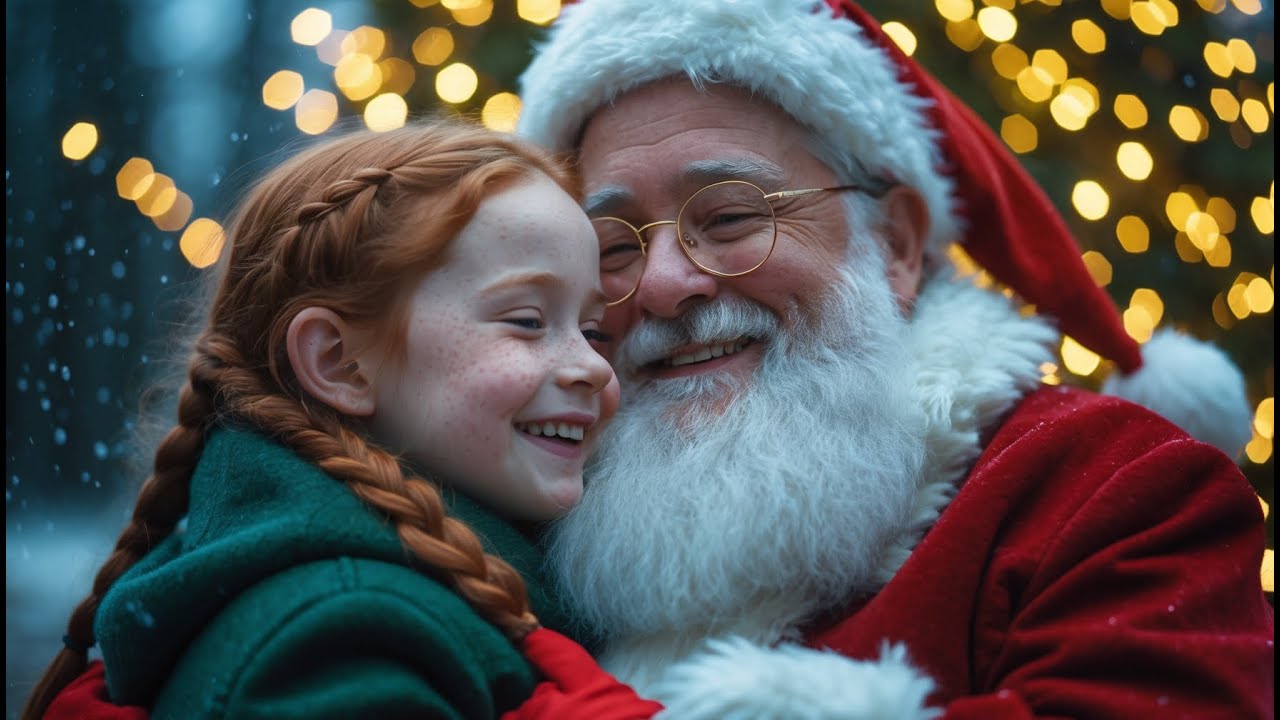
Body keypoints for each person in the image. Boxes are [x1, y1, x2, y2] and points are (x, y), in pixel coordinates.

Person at [513, 0, 1275, 717]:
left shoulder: (1115, 489)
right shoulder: (528, 532)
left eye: (732, 216)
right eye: (614, 245)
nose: (662, 284)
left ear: (898, 245)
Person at [22, 119, 662, 720]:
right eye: (527, 321)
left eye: (592, 329)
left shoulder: (391, 589)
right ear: (340, 364)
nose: (594, 369)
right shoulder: (342, 638)